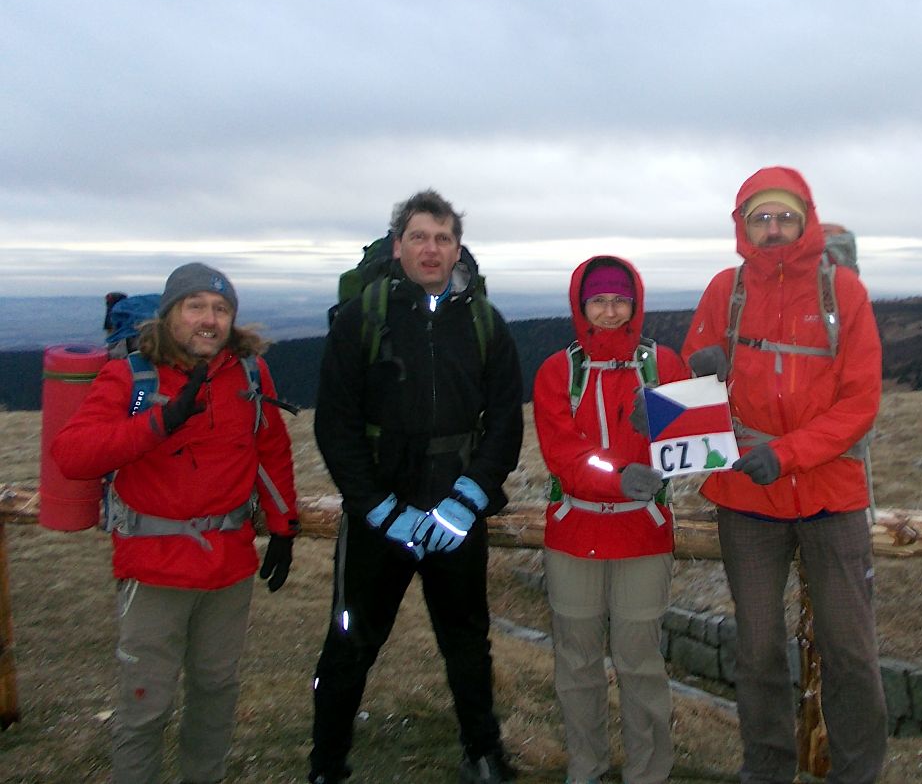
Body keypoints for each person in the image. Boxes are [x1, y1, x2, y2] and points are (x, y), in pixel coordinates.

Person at [52, 262, 299, 784]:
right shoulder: (131, 375)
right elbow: (72, 454)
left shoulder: (250, 373)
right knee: (146, 703)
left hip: (228, 564)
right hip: (154, 566)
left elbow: (270, 447)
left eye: (221, 309)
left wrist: (283, 526)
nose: (209, 319)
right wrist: (160, 422)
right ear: (169, 316)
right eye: (196, 307)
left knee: (215, 691)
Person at [309, 190, 524, 784]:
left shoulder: (484, 323)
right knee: (350, 641)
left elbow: (505, 421)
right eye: (419, 237)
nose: (432, 249)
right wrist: (378, 508)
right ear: (398, 243)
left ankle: (483, 751)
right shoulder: (362, 319)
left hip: (455, 510)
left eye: (443, 237)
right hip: (381, 511)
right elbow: (336, 424)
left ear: (459, 246)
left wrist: (468, 500)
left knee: (467, 642)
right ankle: (327, 763)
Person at [681, 166, 887, 784]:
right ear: (743, 225)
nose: (773, 229)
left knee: (850, 650)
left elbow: (860, 402)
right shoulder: (726, 288)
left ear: (805, 220)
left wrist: (789, 454)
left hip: (830, 493)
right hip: (746, 495)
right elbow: (696, 381)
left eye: (785, 217)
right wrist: (693, 374)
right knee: (758, 647)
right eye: (760, 218)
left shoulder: (842, 291)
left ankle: (859, 774)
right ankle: (767, 770)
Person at [532, 257, 688, 784]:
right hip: (575, 531)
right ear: (581, 306)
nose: (609, 310)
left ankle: (649, 773)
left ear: (635, 304)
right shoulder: (559, 371)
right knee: (576, 663)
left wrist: (662, 422)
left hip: (641, 533)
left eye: (620, 300)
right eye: (597, 300)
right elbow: (565, 454)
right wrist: (619, 476)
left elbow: (691, 445)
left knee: (639, 661)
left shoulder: (663, 364)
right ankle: (587, 766)